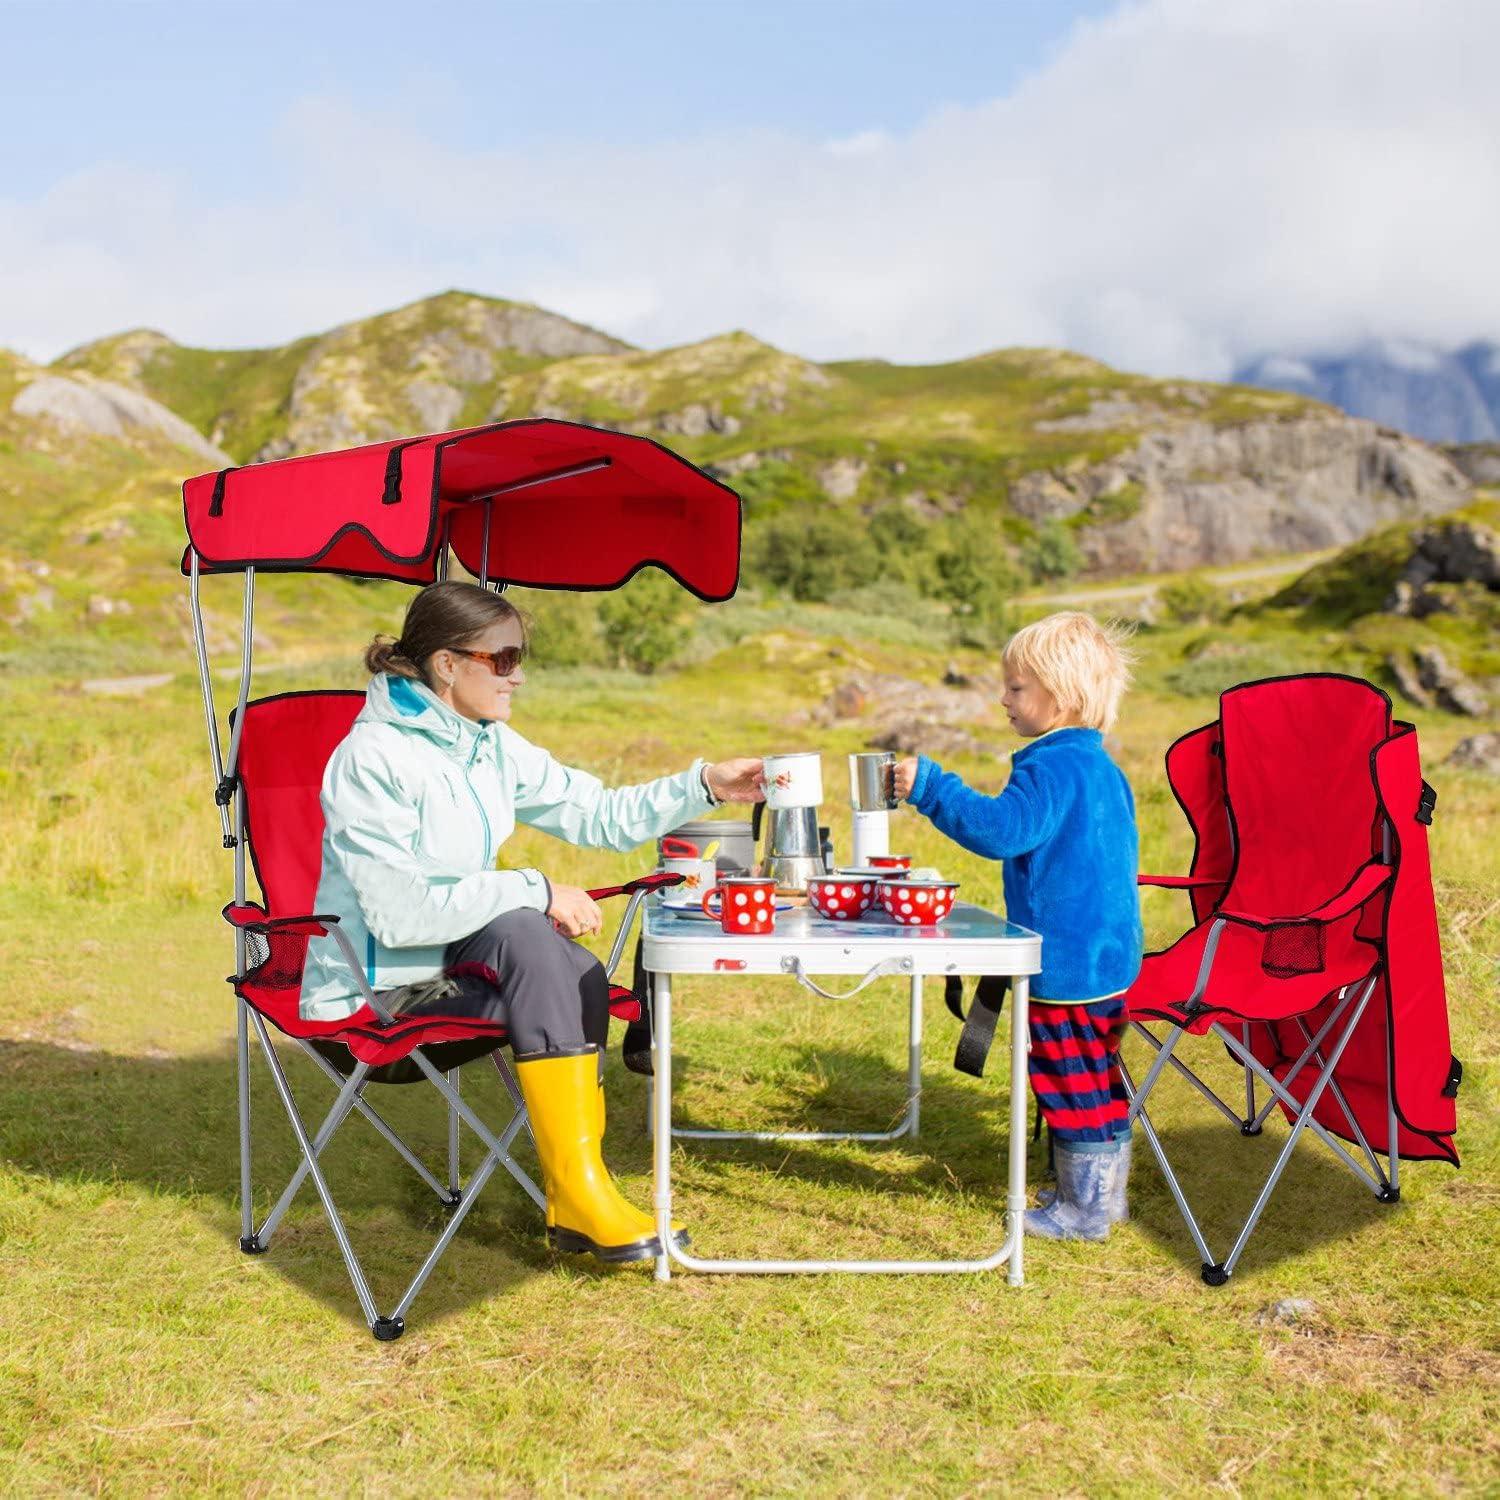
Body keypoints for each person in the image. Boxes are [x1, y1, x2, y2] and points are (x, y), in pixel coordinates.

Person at [300, 580, 765, 1264]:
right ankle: (580, 1192)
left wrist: (705, 785)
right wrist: (533, 886)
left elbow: (598, 814)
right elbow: (398, 916)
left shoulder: (488, 744)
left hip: (445, 967)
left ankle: (576, 1193)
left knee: (564, 962)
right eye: (504, 658)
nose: (518, 676)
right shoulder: (373, 759)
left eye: (522, 656)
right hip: (375, 997)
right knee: (530, 930)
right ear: (447, 665)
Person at [893, 611, 1143, 1241]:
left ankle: (1082, 1212)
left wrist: (932, 786)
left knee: (1065, 1079)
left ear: (1059, 696)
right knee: (1098, 1075)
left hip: (1063, 961)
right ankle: (1102, 1198)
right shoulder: (1101, 767)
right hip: (1109, 959)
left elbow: (1002, 831)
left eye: (1016, 687)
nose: (1003, 699)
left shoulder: (1049, 767)